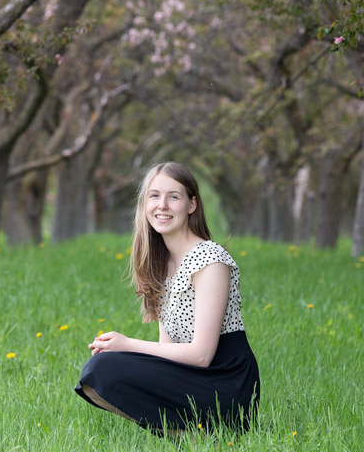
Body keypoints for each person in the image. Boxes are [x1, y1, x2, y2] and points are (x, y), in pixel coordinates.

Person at [75, 161, 260, 434]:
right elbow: (167, 350)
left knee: (106, 366)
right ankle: (185, 435)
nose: (162, 205)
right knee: (100, 369)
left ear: (191, 205)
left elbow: (201, 355)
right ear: (145, 204)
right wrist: (121, 354)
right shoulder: (162, 266)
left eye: (173, 197)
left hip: (225, 382)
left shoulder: (210, 260)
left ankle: (206, 432)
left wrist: (128, 345)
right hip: (193, 377)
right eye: (154, 196)